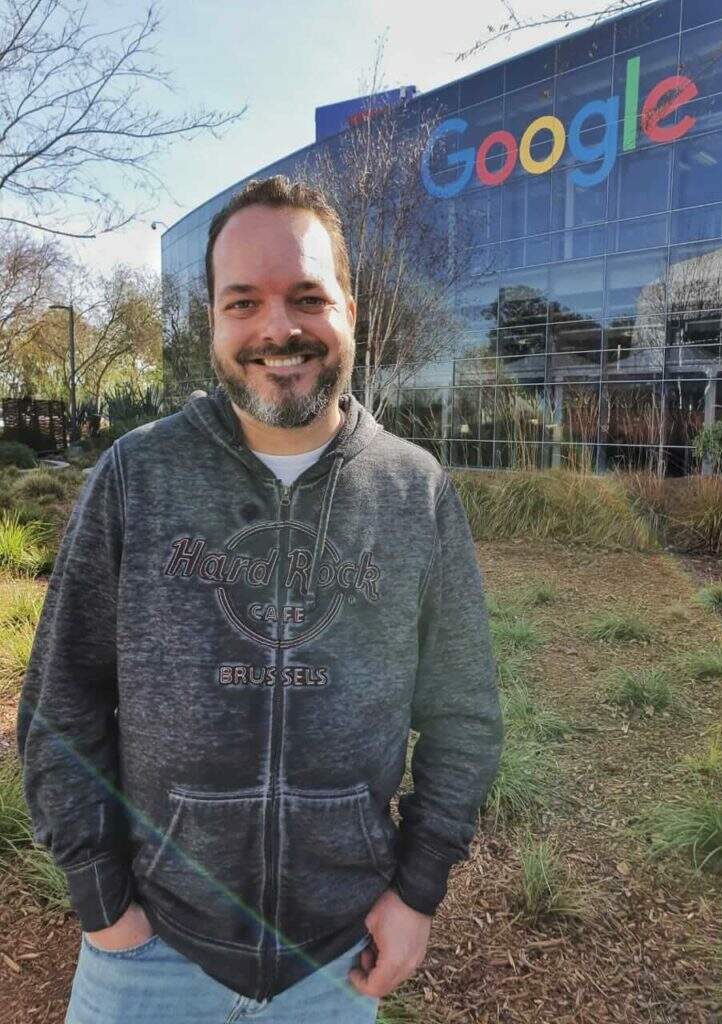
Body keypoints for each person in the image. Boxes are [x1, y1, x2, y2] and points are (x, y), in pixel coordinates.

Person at [16, 174, 505, 1023]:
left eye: (306, 296)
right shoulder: (137, 477)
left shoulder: (413, 490)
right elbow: (61, 704)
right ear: (211, 319)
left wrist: (418, 892)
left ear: (349, 308)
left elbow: (464, 712)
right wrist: (103, 902)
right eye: (243, 302)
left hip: (335, 961)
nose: (278, 329)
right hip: (151, 957)